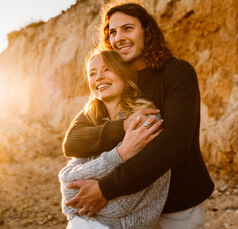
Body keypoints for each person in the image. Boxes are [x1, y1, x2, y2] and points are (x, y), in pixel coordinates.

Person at [63, 0, 214, 228]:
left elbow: (173, 145)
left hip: (178, 206)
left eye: (127, 28)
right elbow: (72, 142)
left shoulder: (176, 73)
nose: (119, 38)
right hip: (128, 210)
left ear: (146, 31)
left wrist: (105, 188)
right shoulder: (115, 83)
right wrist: (121, 127)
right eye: (112, 33)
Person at [59, 49, 170, 228]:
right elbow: (68, 187)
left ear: (123, 74)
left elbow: (119, 207)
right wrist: (120, 154)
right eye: (92, 73)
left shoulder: (147, 121)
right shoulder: (93, 123)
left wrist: (93, 195)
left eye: (107, 69)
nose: (99, 77)